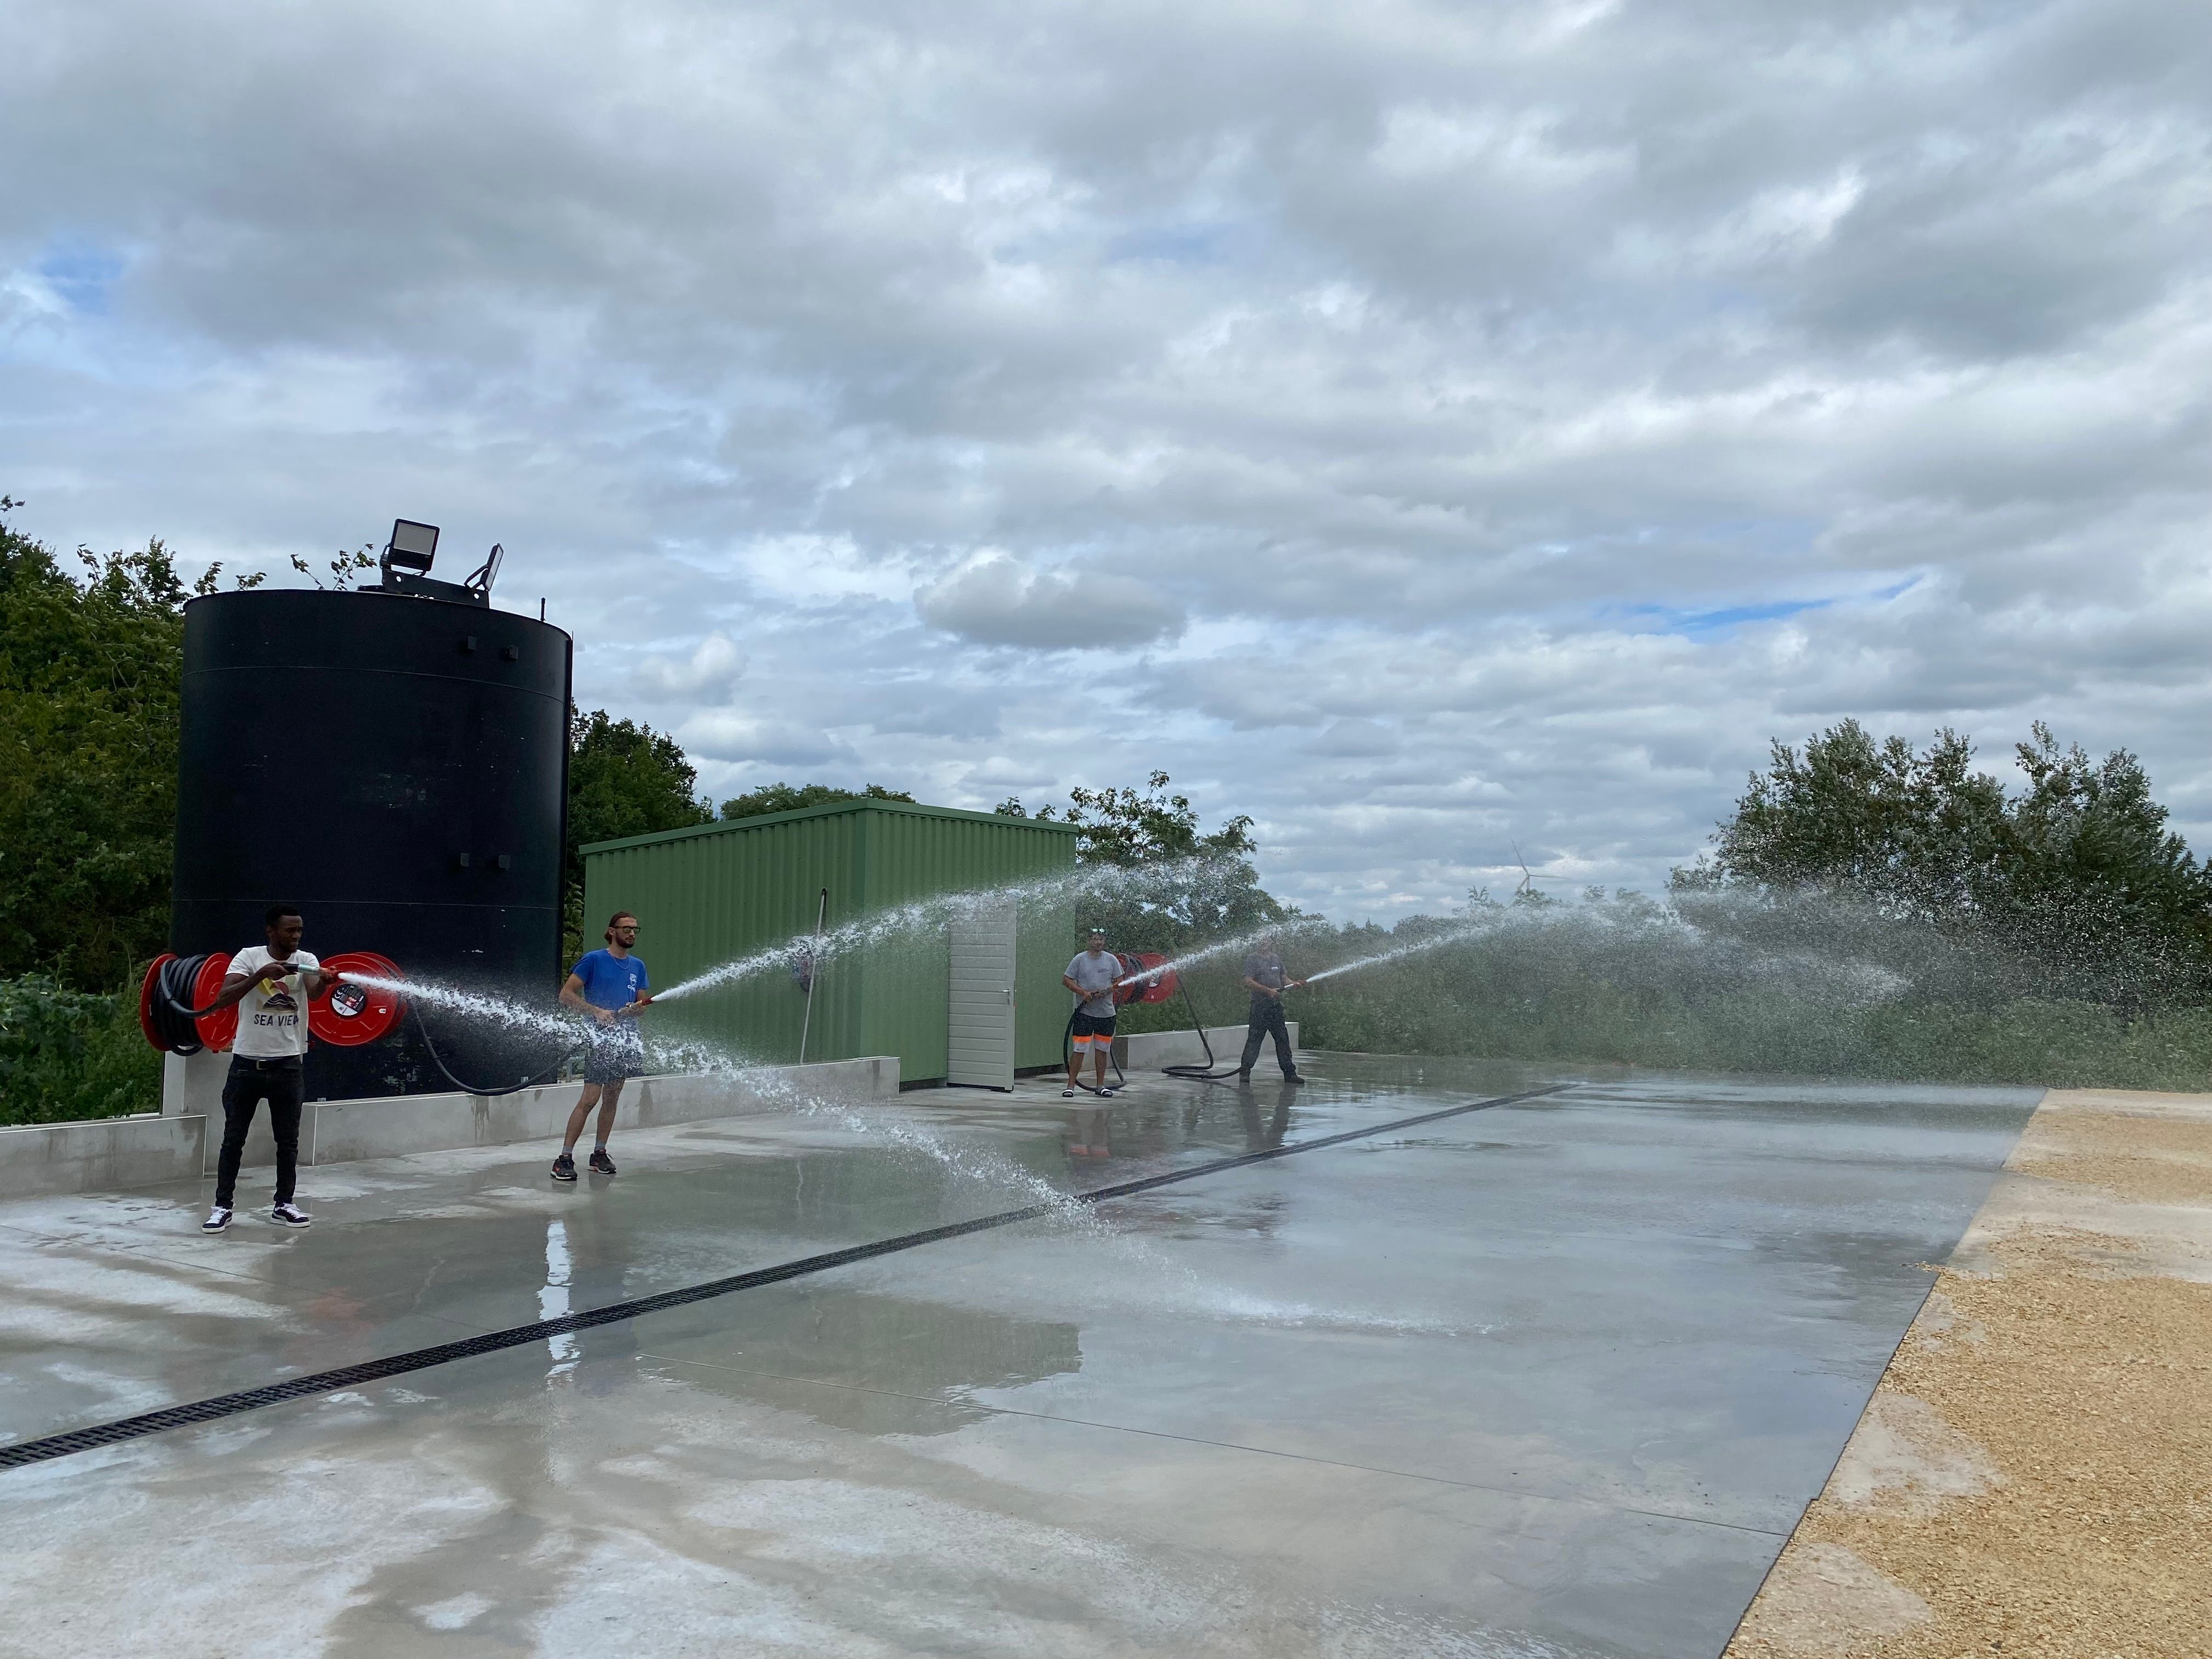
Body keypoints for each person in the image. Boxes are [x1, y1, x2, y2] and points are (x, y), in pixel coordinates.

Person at [200, 905, 346, 1233]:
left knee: (288, 1141)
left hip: (289, 1065)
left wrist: (323, 982)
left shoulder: (307, 960)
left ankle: (284, 1204)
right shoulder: (249, 958)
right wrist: (262, 975)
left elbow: (315, 995)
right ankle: (222, 1207)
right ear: (271, 931)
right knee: (233, 1139)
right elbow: (224, 998)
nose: (296, 936)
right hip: (246, 1065)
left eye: (299, 931)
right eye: (289, 930)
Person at [554, 911, 650, 1181]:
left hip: (626, 1039)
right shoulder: (594, 960)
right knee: (590, 1099)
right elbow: (566, 995)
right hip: (600, 1038)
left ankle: (599, 1154)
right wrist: (596, 1011)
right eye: (626, 929)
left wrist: (636, 1009)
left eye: (635, 929)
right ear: (612, 931)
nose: (631, 933)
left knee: (613, 1095)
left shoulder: (638, 966)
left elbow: (640, 1005)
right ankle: (563, 1158)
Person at [1062, 928, 1121, 1099]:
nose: (1099, 943)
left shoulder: (1111, 960)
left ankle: (1100, 1086)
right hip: (1085, 1014)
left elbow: (1119, 980)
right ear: (1089, 941)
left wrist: (1110, 989)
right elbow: (1066, 980)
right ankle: (1071, 1086)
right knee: (1080, 1049)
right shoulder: (1080, 959)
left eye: (1101, 940)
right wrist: (1083, 993)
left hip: (1106, 1014)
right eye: (1096, 939)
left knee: (1102, 1050)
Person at [1240, 932, 1306, 1082]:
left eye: (1265, 939)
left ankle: (1290, 1074)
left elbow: (1284, 979)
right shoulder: (1252, 959)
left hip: (1275, 1007)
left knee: (1283, 1040)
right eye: (1259, 939)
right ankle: (1245, 1071)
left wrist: (1293, 984)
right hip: (1259, 1006)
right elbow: (1248, 981)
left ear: (1271, 942)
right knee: (1255, 1039)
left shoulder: (1276, 958)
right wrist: (1267, 991)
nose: (1262, 942)